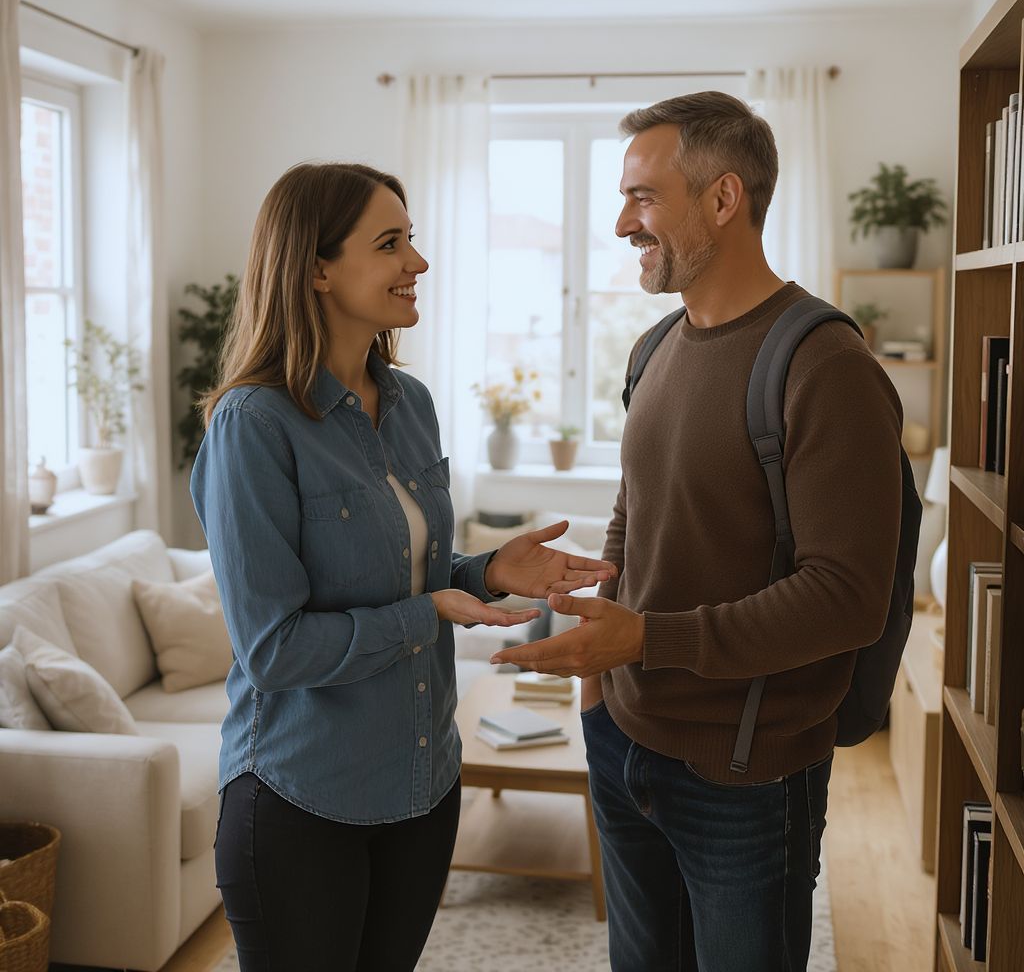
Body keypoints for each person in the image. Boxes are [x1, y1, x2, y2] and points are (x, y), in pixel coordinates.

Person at [492, 92, 904, 971]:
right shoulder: (654, 349)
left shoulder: (826, 365)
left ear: (723, 199)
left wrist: (648, 637)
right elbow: (634, 513)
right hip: (623, 737)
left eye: (643, 197)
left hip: (746, 776)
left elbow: (848, 598)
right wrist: (600, 672)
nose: (619, 223)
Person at [190, 161, 615, 972]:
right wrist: (435, 612)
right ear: (314, 269)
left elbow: (400, 569)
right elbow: (273, 651)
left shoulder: (410, 403)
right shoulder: (255, 424)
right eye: (390, 244)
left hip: (422, 785)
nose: (416, 263)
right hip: (299, 797)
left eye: (411, 240)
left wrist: (489, 572)